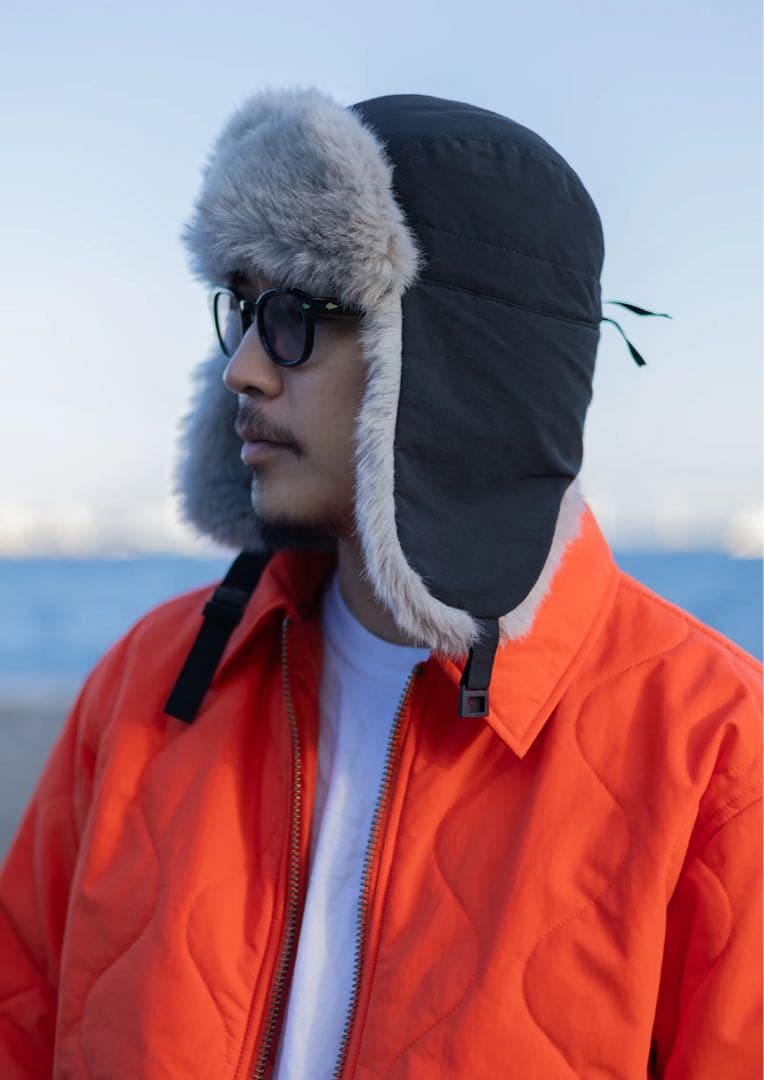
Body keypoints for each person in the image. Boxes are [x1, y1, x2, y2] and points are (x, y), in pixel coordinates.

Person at [0, 86, 760, 1079]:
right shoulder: (148, 682)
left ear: (455, 359)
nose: (242, 370)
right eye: (244, 309)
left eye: (296, 315)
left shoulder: (716, 750)